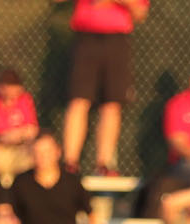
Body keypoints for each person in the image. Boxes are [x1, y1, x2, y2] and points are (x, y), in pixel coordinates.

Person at [56, 0, 147, 176]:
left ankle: (104, 164)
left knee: (112, 104)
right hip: (86, 39)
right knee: (79, 100)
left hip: (117, 41)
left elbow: (140, 13)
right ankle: (70, 162)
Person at [10, 135, 92, 224]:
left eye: (47, 151)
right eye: (37, 152)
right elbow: (11, 215)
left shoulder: (72, 181)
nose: (42, 156)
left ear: (57, 152)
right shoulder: (21, 182)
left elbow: (91, 214)